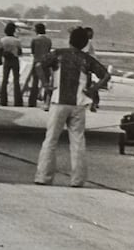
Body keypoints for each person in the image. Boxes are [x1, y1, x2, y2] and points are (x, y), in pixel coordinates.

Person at [35, 27, 111, 187]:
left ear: (70, 40)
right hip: (78, 103)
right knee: (77, 142)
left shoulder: (58, 54)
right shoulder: (86, 59)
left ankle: (43, 177)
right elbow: (105, 75)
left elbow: (39, 66)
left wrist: (46, 84)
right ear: (84, 43)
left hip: (59, 101)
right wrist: (93, 90)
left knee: (50, 140)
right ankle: (77, 179)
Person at [0, 22, 24, 106]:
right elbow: (20, 52)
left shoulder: (2, 40)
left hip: (6, 60)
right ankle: (18, 101)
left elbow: (0, 51)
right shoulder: (17, 40)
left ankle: (3, 100)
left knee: (5, 80)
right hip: (14, 59)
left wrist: (0, 59)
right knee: (16, 80)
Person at [28, 23, 54, 108]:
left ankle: (32, 101)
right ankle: (46, 101)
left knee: (35, 82)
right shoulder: (48, 40)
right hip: (46, 63)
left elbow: (33, 52)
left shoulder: (34, 40)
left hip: (36, 61)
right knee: (46, 82)